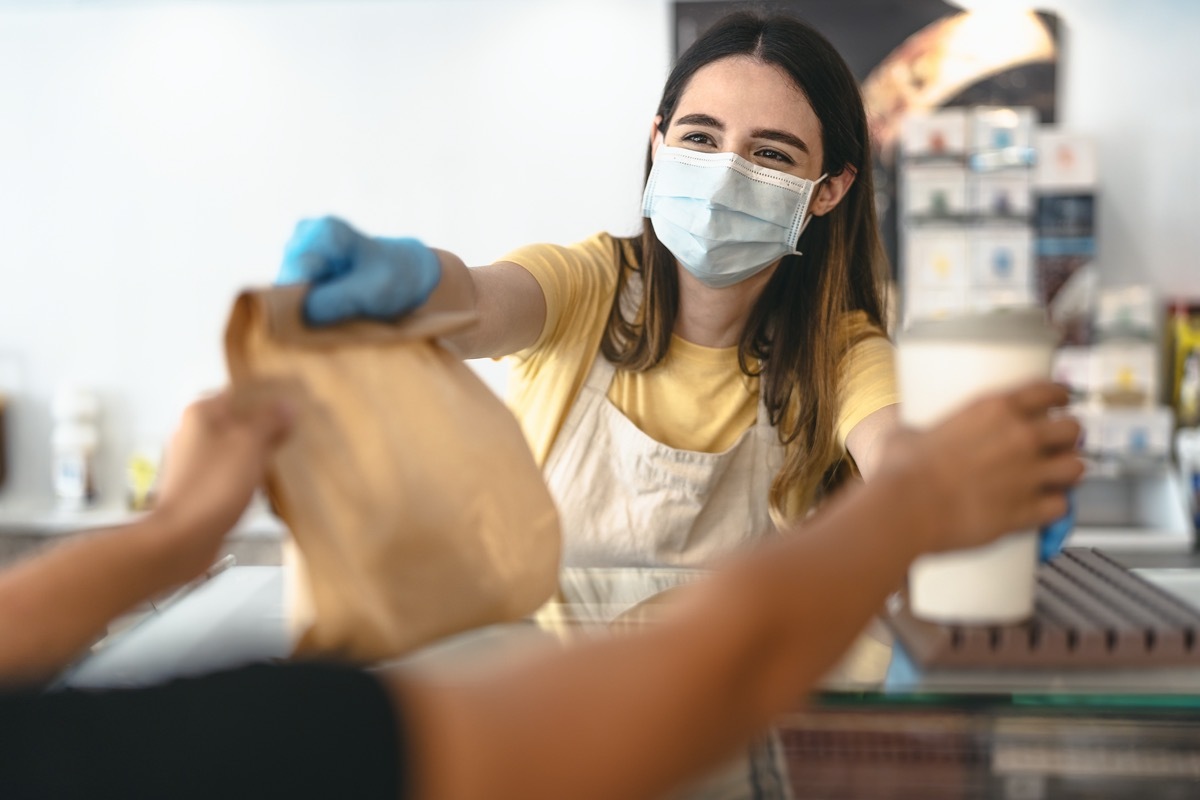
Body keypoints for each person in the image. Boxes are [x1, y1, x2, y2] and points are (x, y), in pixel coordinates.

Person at [0, 377, 1082, 799]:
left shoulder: (837, 337)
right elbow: (714, 674)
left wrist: (174, 535)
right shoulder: (224, 750)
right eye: (699, 139)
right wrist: (918, 504)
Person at [276, 10, 901, 569]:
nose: (722, 177)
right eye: (700, 138)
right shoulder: (588, 284)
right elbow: (477, 303)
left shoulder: (839, 350)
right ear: (659, 143)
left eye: (769, 153)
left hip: (733, 694)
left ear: (828, 188)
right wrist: (408, 283)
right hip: (545, 683)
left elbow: (894, 451)